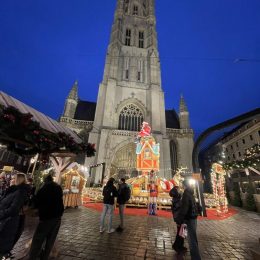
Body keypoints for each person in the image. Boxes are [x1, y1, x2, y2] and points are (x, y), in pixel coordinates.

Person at [28, 174, 64, 260]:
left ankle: (33, 256)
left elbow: (36, 202)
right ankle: (44, 257)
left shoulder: (44, 189)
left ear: (45, 181)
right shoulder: (58, 188)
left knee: (38, 239)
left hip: (46, 217)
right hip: (57, 217)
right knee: (50, 240)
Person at [0, 173, 29, 260]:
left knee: (3, 246)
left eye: (13, 178)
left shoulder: (20, 192)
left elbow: (13, 209)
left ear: (18, 180)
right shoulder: (12, 190)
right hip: (4, 220)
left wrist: (1, 214)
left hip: (8, 223)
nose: (11, 180)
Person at [175, 179, 201, 260]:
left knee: (191, 240)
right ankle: (178, 247)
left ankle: (196, 258)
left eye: (182, 184)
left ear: (184, 185)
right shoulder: (191, 193)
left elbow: (184, 208)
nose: (181, 185)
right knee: (183, 234)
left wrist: (179, 220)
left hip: (188, 219)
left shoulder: (186, 194)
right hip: (192, 218)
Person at [169, 184, 187, 254]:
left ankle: (180, 245)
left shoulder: (177, 199)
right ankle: (178, 246)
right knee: (181, 233)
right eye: (179, 190)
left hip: (180, 218)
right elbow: (180, 209)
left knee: (182, 233)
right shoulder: (177, 200)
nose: (181, 191)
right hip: (180, 218)